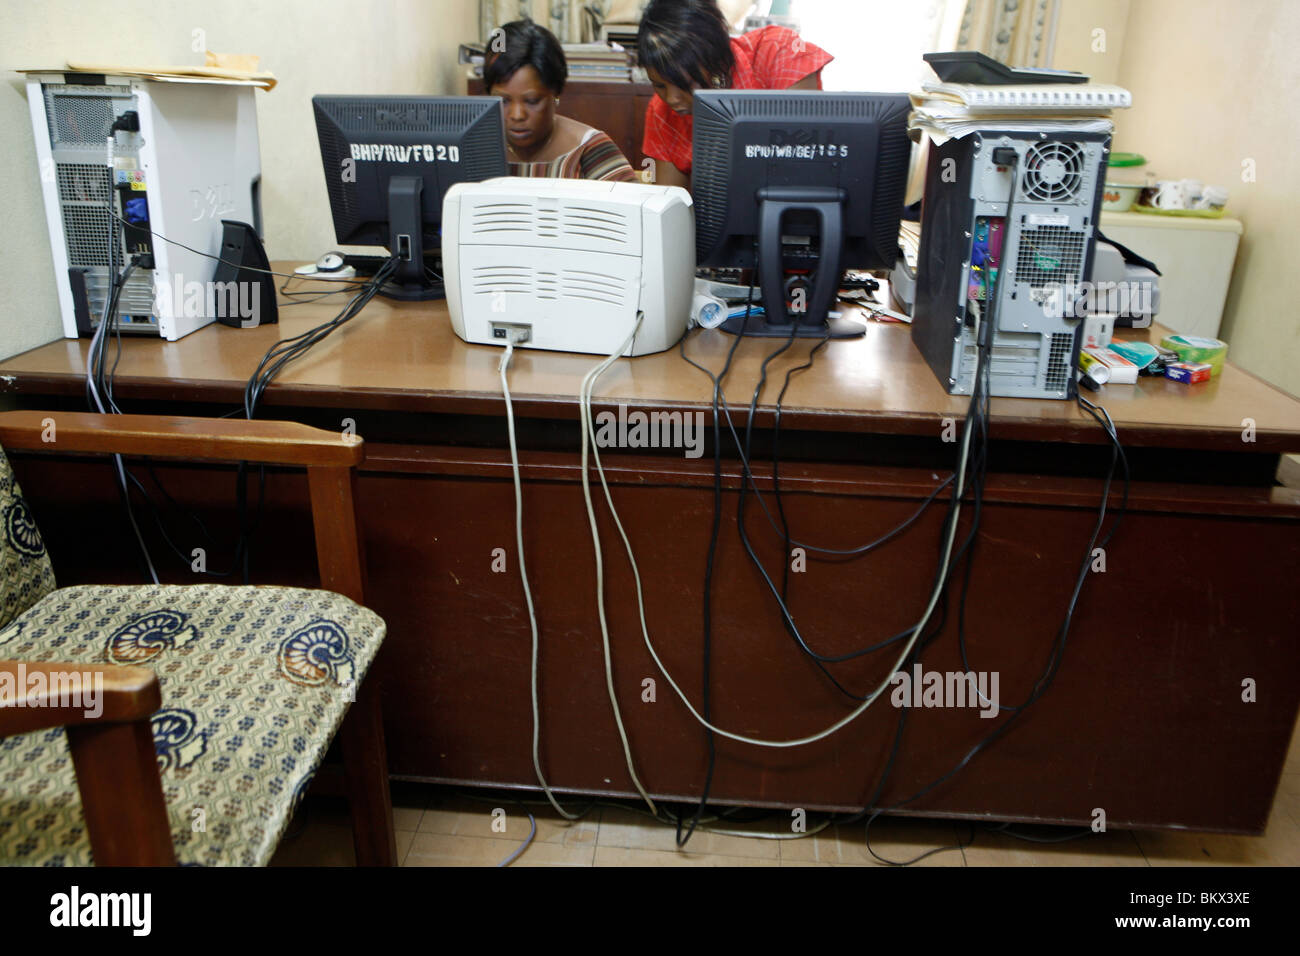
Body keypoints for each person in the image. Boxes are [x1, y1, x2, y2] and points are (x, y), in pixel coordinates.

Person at [637, 0, 833, 188]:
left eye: (685, 84)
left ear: (717, 60)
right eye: (659, 86)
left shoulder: (778, 53)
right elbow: (670, 205)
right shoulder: (661, 113)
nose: (671, 99)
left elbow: (808, 160)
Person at [485, 19, 638, 182]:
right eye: (503, 101)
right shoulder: (473, 149)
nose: (517, 115)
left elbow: (631, 206)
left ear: (556, 92)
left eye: (532, 101)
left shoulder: (589, 150)